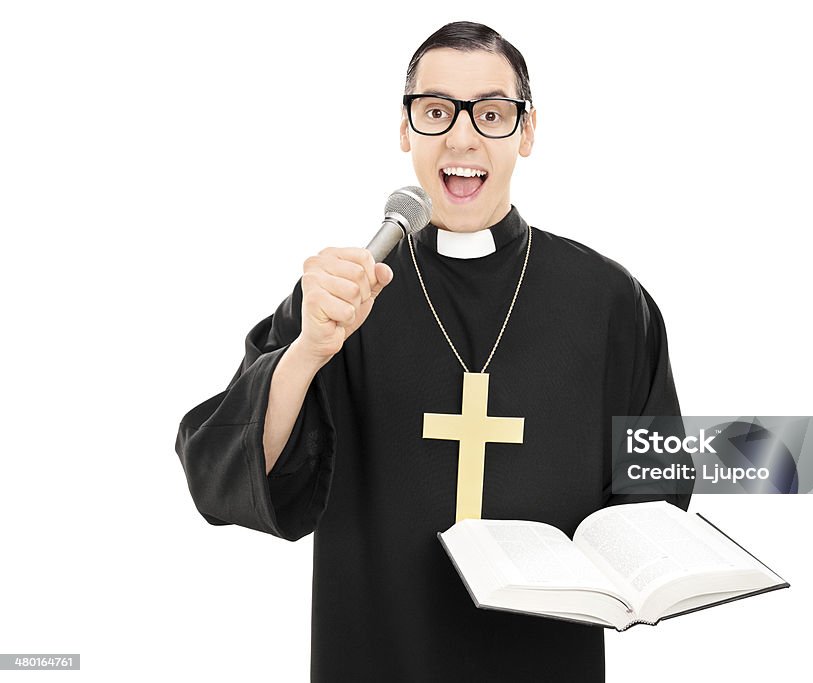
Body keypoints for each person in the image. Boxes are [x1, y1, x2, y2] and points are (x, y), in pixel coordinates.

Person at [175, 20, 693, 682]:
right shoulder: (343, 294)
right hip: (377, 654)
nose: (462, 135)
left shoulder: (610, 299)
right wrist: (307, 351)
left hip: (545, 661)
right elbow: (218, 472)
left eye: (493, 112)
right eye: (437, 110)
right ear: (405, 128)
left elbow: (658, 478)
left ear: (527, 131)